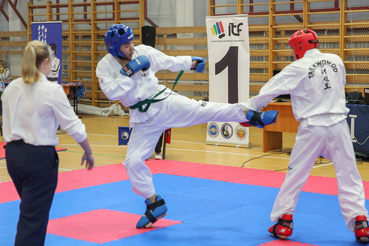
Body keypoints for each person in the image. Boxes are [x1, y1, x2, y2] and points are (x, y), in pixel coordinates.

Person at [96, 24, 278, 229]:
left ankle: (250, 115)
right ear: (114, 47)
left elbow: (168, 61)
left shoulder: (143, 51)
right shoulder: (104, 66)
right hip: (142, 119)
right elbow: (112, 93)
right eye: (126, 45)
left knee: (204, 110)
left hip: (163, 102)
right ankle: (154, 203)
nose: (131, 47)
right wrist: (129, 71)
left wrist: (190, 63)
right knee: (133, 162)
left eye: (131, 42)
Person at [245, 29, 369, 243]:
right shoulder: (337, 60)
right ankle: (361, 223)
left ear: (298, 47)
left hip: (312, 128)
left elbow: (267, 92)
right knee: (349, 174)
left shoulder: (296, 68)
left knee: (295, 175)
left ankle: (284, 223)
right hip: (340, 125)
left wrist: (248, 110)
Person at [2, 40, 95, 246]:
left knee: (31, 212)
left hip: (13, 157)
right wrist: (88, 151)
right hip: (38, 159)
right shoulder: (51, 90)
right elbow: (73, 125)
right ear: (46, 62)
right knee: (33, 219)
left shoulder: (11, 88)